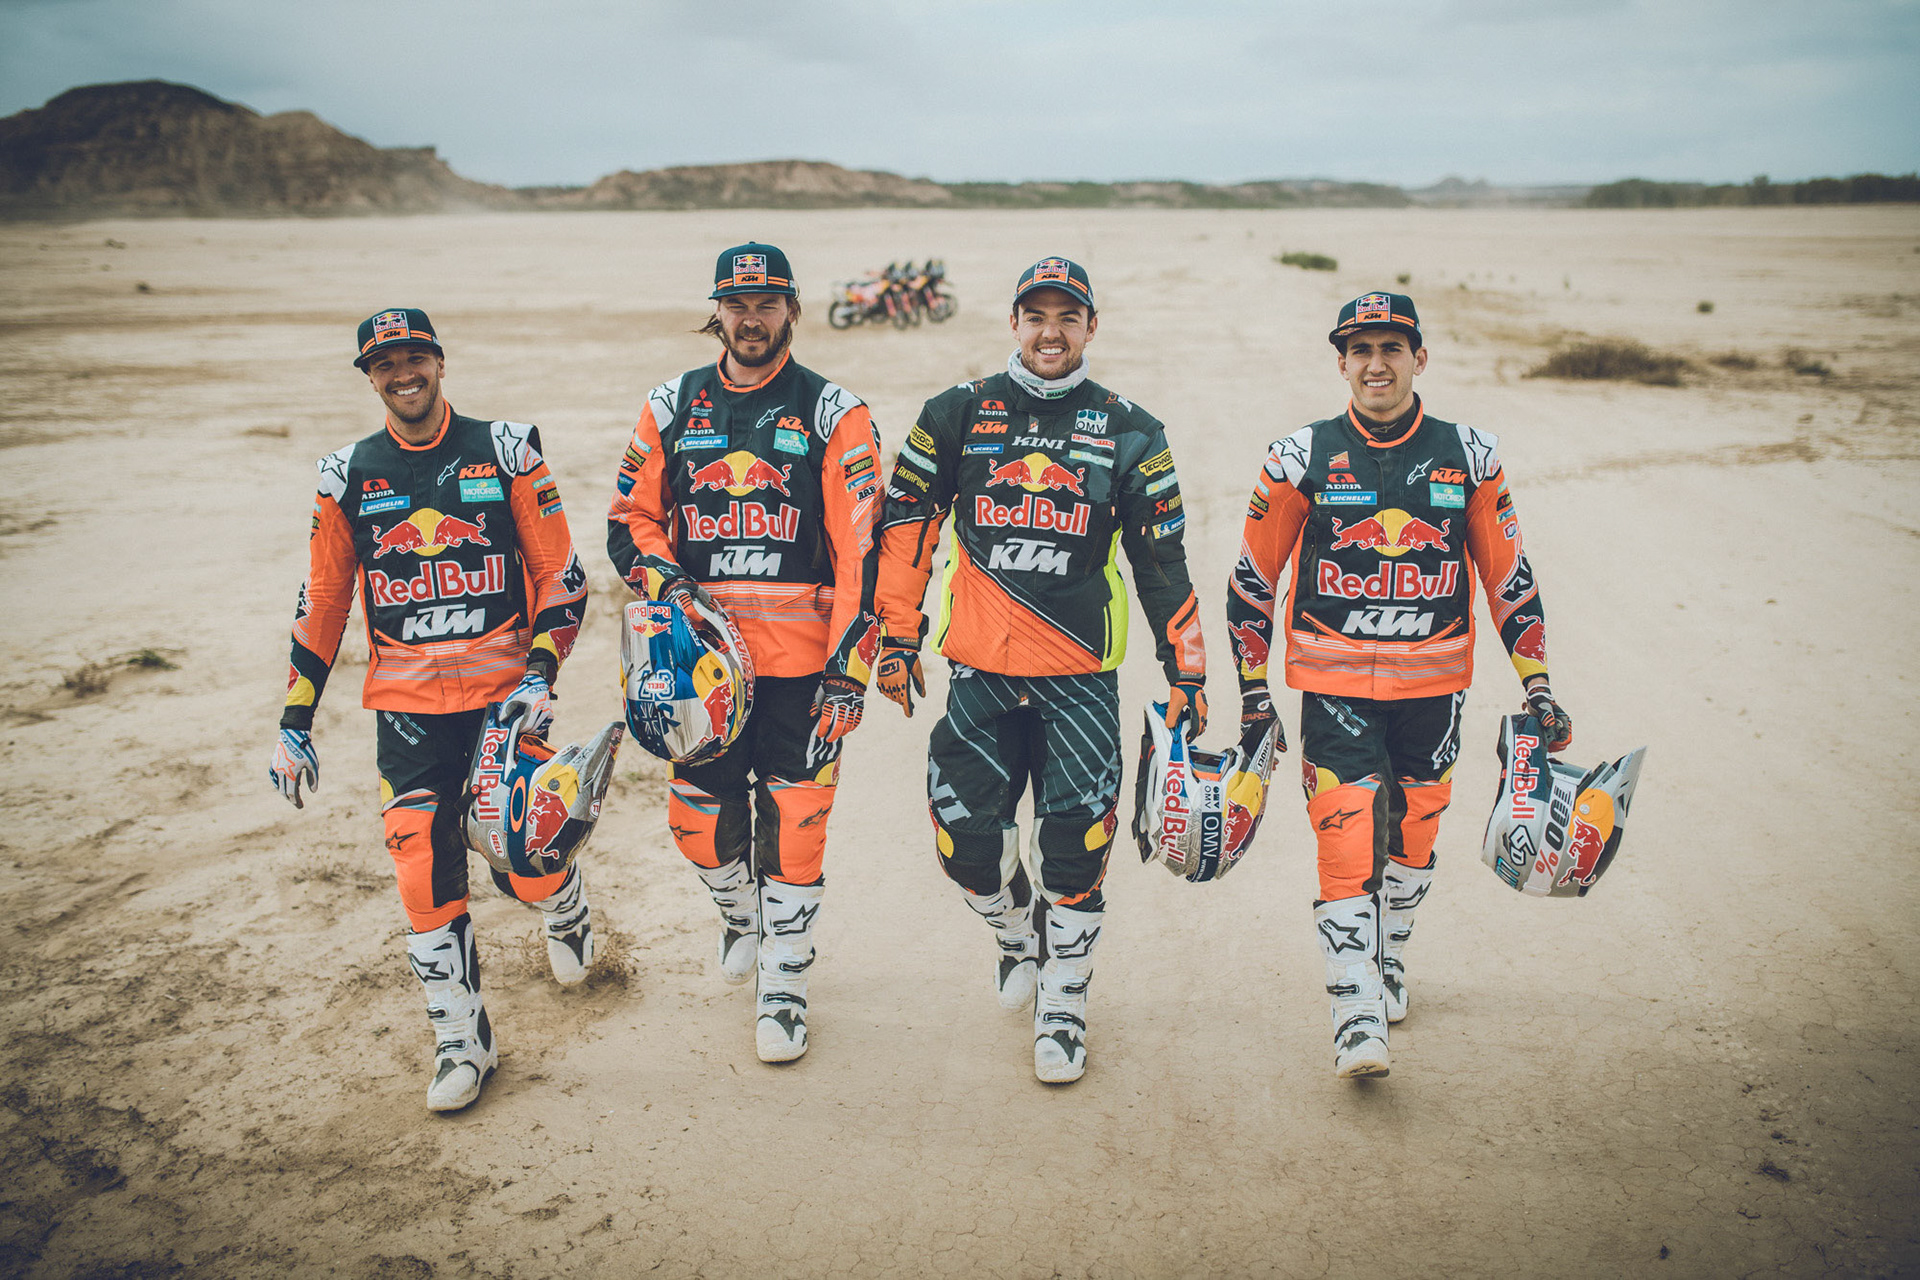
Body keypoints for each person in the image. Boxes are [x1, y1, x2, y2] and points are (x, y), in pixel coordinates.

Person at [872, 256, 1207, 1084]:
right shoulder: (955, 412)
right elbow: (907, 525)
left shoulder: (1133, 429)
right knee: (964, 845)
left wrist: (1188, 672)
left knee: (1077, 848)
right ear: (1014, 323)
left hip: (1080, 679)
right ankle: (1015, 929)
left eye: (1067, 317)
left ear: (1091, 326)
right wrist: (895, 637)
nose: (1050, 332)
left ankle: (1065, 998)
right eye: (1036, 316)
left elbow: (1161, 562)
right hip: (979, 674)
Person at [1226, 291, 1573, 1079]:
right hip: (1335, 688)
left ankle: (1388, 954)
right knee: (1347, 834)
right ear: (1341, 363)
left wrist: (1539, 686)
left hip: (1434, 688)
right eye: (1360, 350)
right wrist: (1253, 694)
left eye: (1391, 348)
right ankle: (1353, 1009)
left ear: (1420, 358)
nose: (1375, 364)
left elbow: (1509, 578)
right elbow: (1252, 580)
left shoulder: (1470, 456)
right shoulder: (1297, 457)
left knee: (1413, 839)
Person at [266, 307, 592, 1112]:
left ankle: (562, 900)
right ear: (370, 378)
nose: (402, 373)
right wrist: (294, 723)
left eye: (414, 357)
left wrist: (540, 676)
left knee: (523, 864)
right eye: (384, 364)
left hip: (506, 704)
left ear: (440, 363)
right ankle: (461, 1041)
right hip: (407, 713)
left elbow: (562, 576)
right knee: (420, 865)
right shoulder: (345, 475)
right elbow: (323, 602)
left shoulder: (506, 450)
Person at [606, 242, 881, 1063]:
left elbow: (863, 551)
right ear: (717, 312)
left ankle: (785, 983)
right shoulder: (670, 404)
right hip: (698, 669)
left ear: (791, 309)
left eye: (767, 304)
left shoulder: (834, 411)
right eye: (737, 304)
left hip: (804, 670)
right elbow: (629, 518)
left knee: (797, 825)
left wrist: (849, 672)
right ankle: (738, 913)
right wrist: (662, 575)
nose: (751, 319)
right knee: (696, 824)